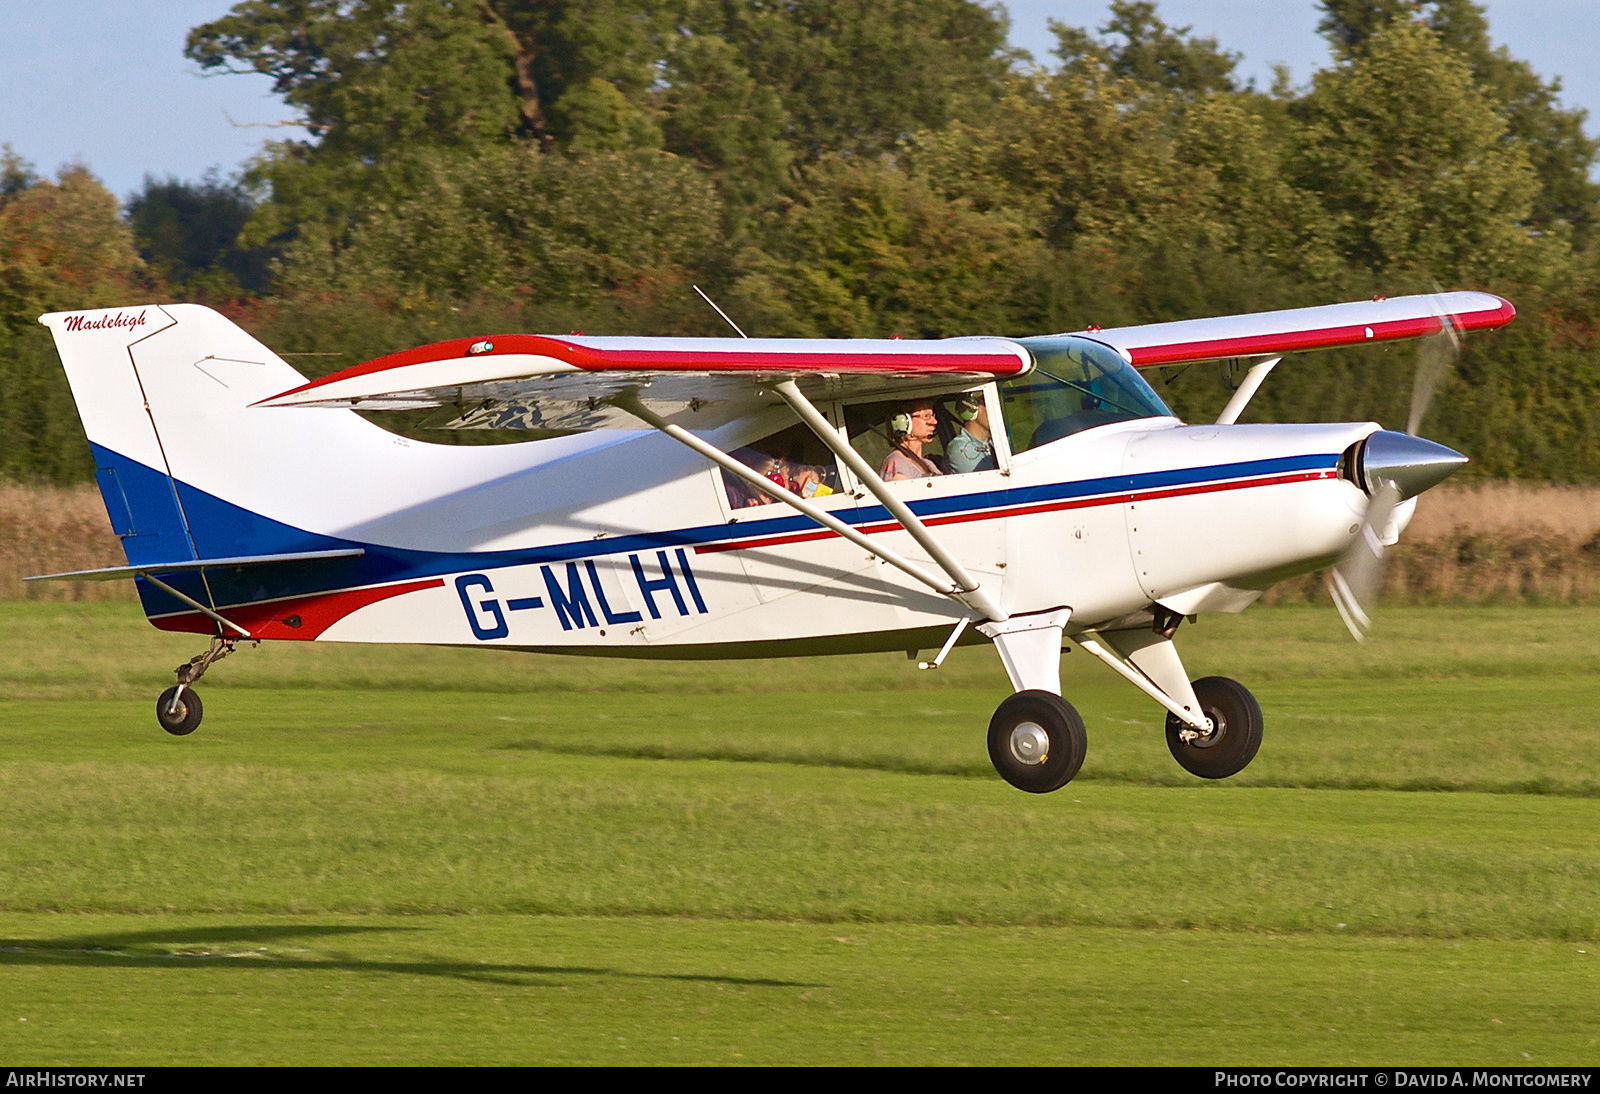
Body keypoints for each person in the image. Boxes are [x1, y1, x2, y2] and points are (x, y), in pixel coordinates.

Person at [879, 400, 943, 481]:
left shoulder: (929, 464)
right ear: (904, 421)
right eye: (926, 416)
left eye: (932, 416)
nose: (934, 421)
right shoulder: (896, 463)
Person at [945, 394, 996, 474]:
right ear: (970, 408)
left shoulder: (992, 444)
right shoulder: (961, 450)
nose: (996, 410)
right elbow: (990, 480)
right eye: (988, 404)